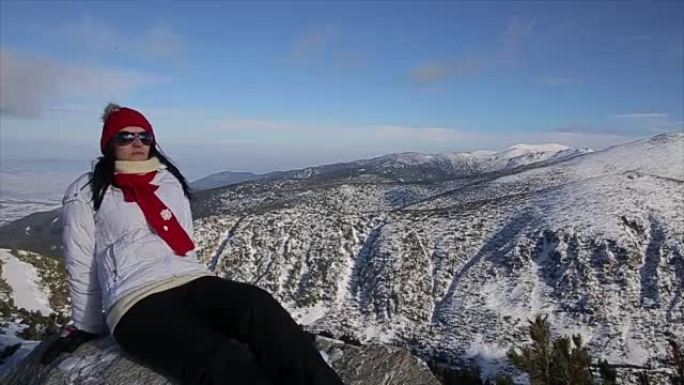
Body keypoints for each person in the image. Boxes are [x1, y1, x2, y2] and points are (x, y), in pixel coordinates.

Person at [40, 103, 344, 385]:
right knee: (220, 360)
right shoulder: (87, 190)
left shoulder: (168, 181)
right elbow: (80, 261)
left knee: (257, 306)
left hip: (191, 279)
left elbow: (184, 242)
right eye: (126, 136)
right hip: (135, 299)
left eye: (144, 136)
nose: (137, 143)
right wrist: (87, 325)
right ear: (109, 143)